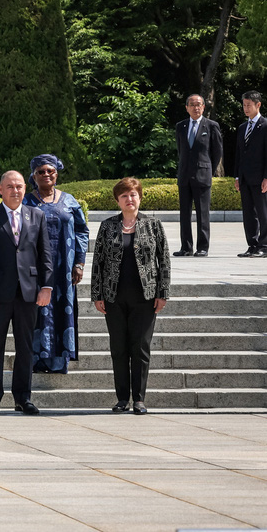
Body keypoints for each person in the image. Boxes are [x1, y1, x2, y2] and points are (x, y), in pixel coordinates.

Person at [0, 171, 53, 416]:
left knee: (26, 348)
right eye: (10, 186)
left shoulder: (36, 216)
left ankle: (23, 398)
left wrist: (47, 286)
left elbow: (45, 254)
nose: (15, 190)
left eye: (19, 186)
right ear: (0, 189)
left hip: (28, 293)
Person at [91, 177, 170, 414]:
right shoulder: (107, 226)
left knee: (141, 347)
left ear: (140, 197)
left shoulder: (153, 225)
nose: (129, 199)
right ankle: (122, 398)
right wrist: (97, 294)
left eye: (133, 195)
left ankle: (139, 399)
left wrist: (163, 292)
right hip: (114, 297)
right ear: (118, 200)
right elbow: (98, 262)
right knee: (119, 348)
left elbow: (164, 260)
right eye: (124, 196)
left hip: (145, 297)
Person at [22, 154, 88, 374]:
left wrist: (79, 263)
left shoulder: (69, 200)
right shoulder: (26, 201)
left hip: (64, 268)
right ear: (33, 176)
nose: (46, 175)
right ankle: (36, 360)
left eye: (50, 171)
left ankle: (59, 360)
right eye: (41, 171)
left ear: (57, 174)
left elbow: (81, 231)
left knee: (62, 310)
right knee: (37, 313)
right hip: (35, 268)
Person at [174, 94, 222, 257]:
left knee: (203, 213)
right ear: (186, 107)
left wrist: (208, 169)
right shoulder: (180, 126)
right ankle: (185, 247)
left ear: (203, 107)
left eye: (199, 104)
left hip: (202, 175)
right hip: (184, 175)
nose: (196, 107)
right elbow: (181, 150)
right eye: (192, 105)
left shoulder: (211, 126)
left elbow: (217, 152)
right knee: (184, 214)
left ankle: (203, 247)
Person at [234, 91, 267, 258]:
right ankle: (252, 245)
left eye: (249, 105)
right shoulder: (242, 128)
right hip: (245, 177)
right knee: (248, 214)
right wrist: (237, 177)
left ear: (258, 105)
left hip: (261, 177)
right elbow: (239, 154)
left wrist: (266, 177)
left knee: (263, 212)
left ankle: (264, 245)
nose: (246, 108)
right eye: (244, 105)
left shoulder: (265, 125)